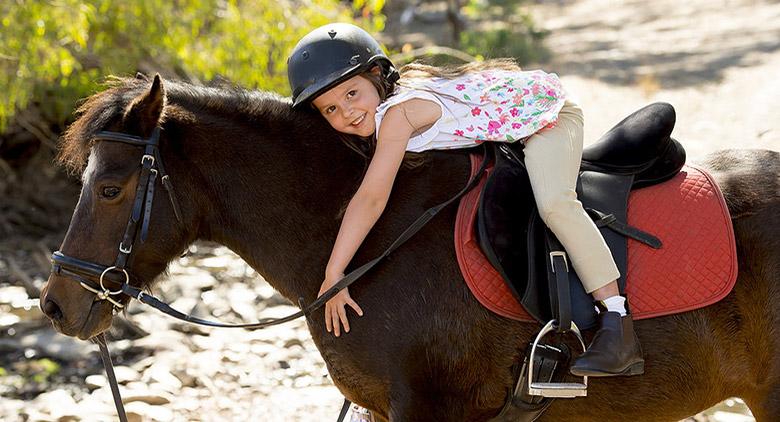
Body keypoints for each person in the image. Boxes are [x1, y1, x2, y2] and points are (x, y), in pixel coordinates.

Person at [286, 23, 644, 377]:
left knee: (554, 202)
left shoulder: (398, 115)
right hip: (513, 127)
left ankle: (616, 320)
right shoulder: (386, 111)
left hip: (547, 117)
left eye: (351, 94)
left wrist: (335, 272)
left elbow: (371, 199)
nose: (346, 112)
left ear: (377, 74)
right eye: (329, 109)